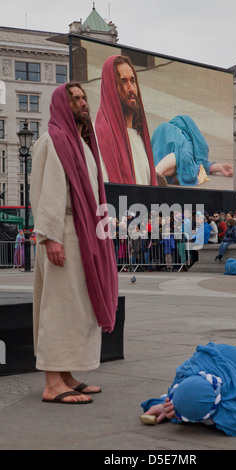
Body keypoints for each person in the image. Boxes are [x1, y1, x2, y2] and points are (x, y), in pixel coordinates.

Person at [30, 82, 118, 404]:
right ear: (63, 105)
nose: (83, 103)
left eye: (84, 98)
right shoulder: (51, 142)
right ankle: (52, 382)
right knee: (58, 307)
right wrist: (50, 237)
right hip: (63, 233)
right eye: (75, 99)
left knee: (76, 308)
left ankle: (66, 375)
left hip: (82, 235)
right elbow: (46, 191)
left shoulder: (81, 145)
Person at [141, 338, 236, 436]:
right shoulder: (203, 359)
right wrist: (171, 402)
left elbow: (203, 410)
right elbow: (192, 392)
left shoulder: (234, 417)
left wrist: (169, 406)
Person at [94, 55, 158, 186]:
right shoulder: (97, 135)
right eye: (123, 81)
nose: (131, 88)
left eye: (133, 81)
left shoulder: (140, 136)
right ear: (111, 88)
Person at [151, 115, 233, 186]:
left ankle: (156, 173)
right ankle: (155, 173)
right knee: (184, 158)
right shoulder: (186, 130)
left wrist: (220, 167)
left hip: (160, 135)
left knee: (179, 167)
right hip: (175, 131)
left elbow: (202, 163)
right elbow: (202, 148)